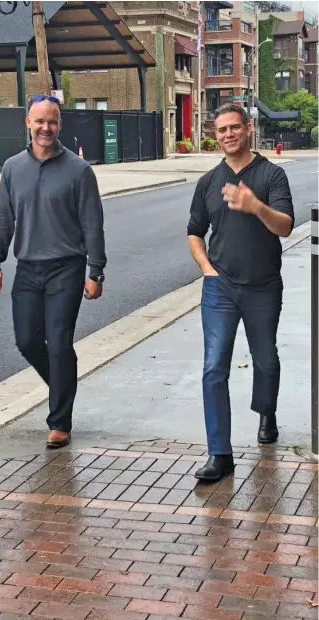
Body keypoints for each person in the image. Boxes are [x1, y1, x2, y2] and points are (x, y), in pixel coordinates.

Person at [0, 94, 106, 450]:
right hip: (27, 268)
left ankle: (59, 422)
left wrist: (95, 271)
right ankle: (63, 385)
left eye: (52, 122)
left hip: (66, 269)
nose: (45, 128)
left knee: (58, 343)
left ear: (60, 125)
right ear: (27, 122)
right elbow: (3, 218)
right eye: (39, 121)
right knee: (26, 340)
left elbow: (92, 225)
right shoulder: (12, 168)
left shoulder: (79, 171)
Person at [187, 103, 294, 482]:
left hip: (263, 287)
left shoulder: (271, 175)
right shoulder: (208, 182)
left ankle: (267, 411)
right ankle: (220, 453)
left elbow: (284, 227)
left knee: (265, 358)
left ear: (248, 129)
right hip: (220, 287)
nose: (228, 135)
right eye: (222, 130)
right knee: (214, 367)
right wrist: (205, 267)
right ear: (216, 135)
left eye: (234, 128)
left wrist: (254, 205)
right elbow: (195, 230)